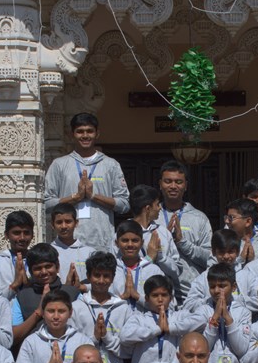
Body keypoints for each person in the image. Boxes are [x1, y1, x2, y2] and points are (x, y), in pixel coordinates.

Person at [43, 113, 130, 253]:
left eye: (89, 131)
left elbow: (124, 205)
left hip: (102, 244)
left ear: (97, 134)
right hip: (67, 245)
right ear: (72, 134)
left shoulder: (111, 165)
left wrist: (93, 196)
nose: (85, 136)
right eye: (80, 131)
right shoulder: (59, 165)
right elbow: (46, 204)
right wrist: (75, 197)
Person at [121, 275, 205, 363]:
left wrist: (171, 328)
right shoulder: (139, 318)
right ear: (146, 298)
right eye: (155, 295)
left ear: (171, 298)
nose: (160, 300)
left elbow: (201, 321)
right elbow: (125, 336)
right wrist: (156, 329)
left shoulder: (178, 317)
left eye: (164, 295)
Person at [71, 251, 135, 363]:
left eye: (106, 276)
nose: (101, 281)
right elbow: (72, 349)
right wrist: (94, 339)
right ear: (88, 276)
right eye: (96, 275)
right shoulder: (76, 307)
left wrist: (107, 338)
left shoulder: (123, 308)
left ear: (113, 278)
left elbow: (129, 351)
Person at [157, 160, 214, 298]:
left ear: (186, 186)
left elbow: (210, 258)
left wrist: (182, 242)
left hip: (191, 294)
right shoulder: (152, 216)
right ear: (160, 184)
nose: (173, 186)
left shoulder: (199, 218)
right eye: (168, 181)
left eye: (178, 182)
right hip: (158, 294)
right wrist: (164, 239)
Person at [10, 244, 81, 345]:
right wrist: (39, 312)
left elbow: (83, 329)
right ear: (30, 271)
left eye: (48, 266)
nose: (44, 272)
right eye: (38, 268)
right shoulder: (22, 297)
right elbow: (14, 336)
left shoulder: (74, 294)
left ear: (57, 267)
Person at [183, 229, 258, 317]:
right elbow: (188, 305)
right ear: (214, 252)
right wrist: (212, 301)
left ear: (237, 252)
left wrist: (233, 300)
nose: (226, 256)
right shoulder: (203, 278)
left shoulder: (247, 276)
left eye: (230, 252)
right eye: (222, 252)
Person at [199, 264, 252, 363]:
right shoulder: (203, 311)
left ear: (233, 287)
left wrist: (228, 319)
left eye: (222, 286)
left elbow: (241, 349)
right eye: (212, 286)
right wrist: (214, 319)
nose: (216, 291)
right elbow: (203, 349)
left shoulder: (244, 312)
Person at [130, 184, 182, 293]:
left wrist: (161, 257)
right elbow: (119, 270)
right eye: (157, 204)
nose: (160, 208)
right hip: (136, 295)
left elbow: (177, 270)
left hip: (163, 296)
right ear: (148, 209)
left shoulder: (163, 232)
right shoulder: (123, 234)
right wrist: (148, 259)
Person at [111, 220, 166, 306]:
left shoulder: (153, 270)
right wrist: (123, 297)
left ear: (142, 243)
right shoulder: (110, 269)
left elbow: (167, 305)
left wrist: (137, 296)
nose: (130, 244)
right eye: (125, 240)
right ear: (117, 243)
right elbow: (102, 303)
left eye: (135, 240)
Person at [0, 210, 36, 300]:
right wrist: (14, 285)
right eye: (16, 233)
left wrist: (28, 284)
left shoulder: (38, 260)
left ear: (32, 235)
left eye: (26, 233)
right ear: (6, 235)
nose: (22, 238)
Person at [49, 204, 93, 290]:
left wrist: (82, 287)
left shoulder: (89, 252)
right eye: (59, 222)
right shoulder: (48, 252)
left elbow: (100, 281)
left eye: (68, 221)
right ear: (52, 225)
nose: (64, 226)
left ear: (76, 223)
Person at [223, 197, 258, 264]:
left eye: (231, 218)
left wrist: (253, 261)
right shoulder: (222, 240)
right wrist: (240, 260)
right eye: (226, 217)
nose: (226, 221)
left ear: (248, 221)